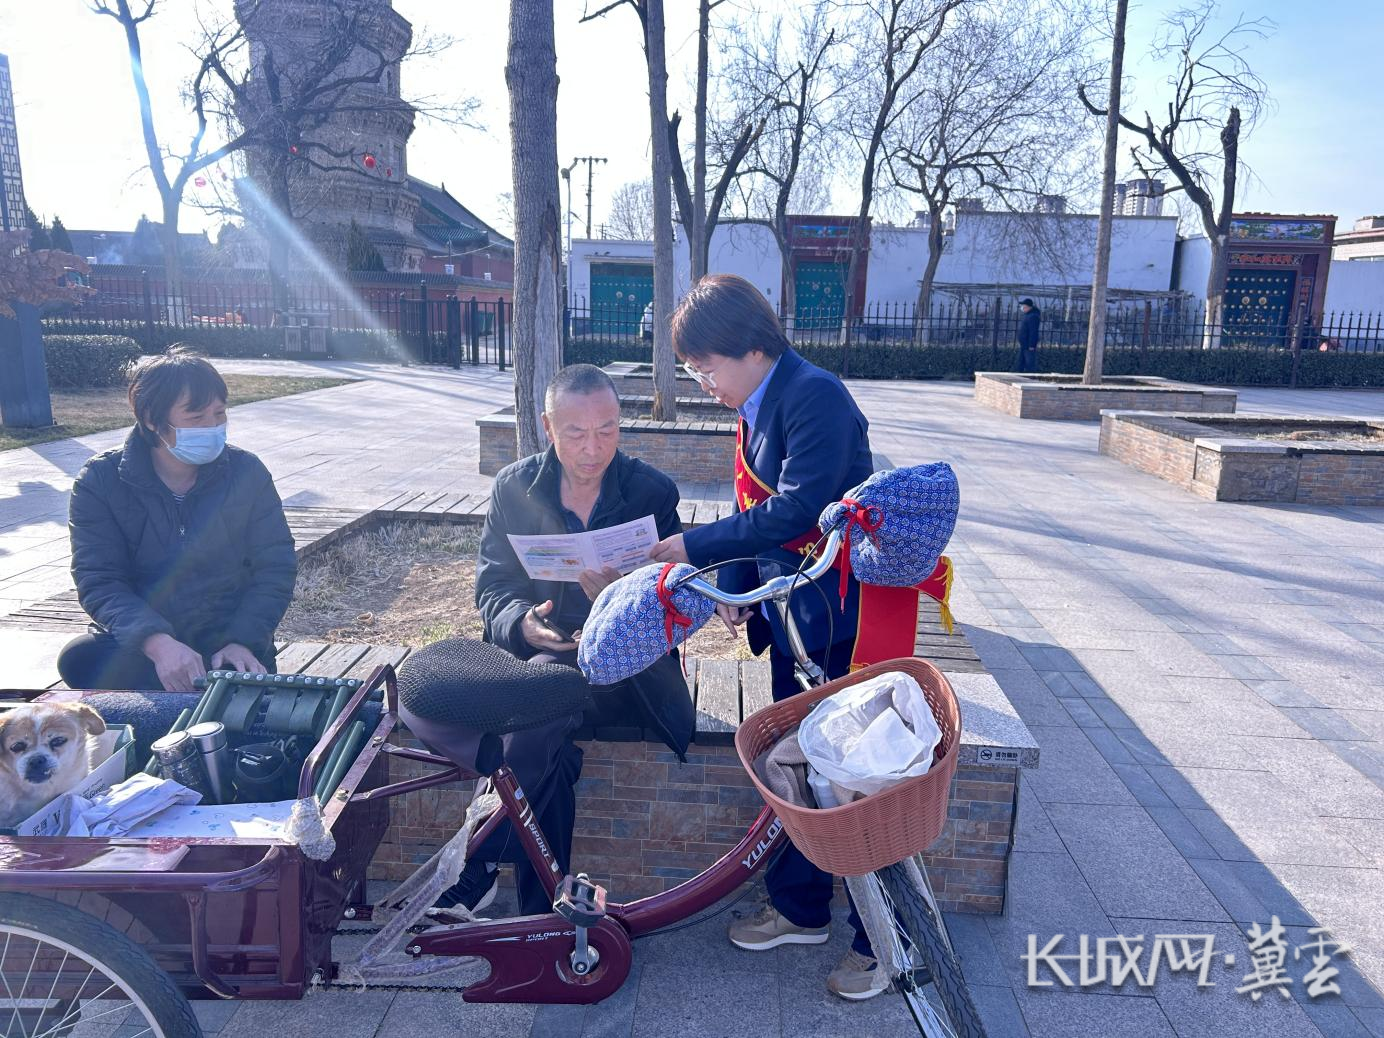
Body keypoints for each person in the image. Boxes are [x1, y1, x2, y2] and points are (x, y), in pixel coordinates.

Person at [647, 274, 884, 1001]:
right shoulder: (757, 401)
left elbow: (798, 509)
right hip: (792, 613)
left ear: (751, 347)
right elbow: (758, 503)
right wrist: (737, 581)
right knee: (797, 768)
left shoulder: (814, 396)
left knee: (853, 777)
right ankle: (801, 909)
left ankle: (884, 941)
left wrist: (697, 547)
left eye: (706, 366)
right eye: (694, 370)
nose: (703, 382)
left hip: (839, 623)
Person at [431, 363, 692, 917]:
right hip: (542, 656)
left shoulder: (651, 491)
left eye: (607, 430)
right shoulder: (514, 488)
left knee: (540, 702)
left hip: (625, 672)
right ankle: (546, 910)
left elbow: (677, 599)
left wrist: (622, 599)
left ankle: (480, 863)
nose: (593, 449)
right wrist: (522, 623)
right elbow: (494, 587)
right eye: (576, 433)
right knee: (549, 739)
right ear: (548, 427)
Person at [58, 348, 296, 693]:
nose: (212, 427)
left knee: (236, 681)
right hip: (148, 645)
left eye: (219, 414)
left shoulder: (247, 472)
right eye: (196, 417)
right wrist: (157, 643)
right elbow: (99, 579)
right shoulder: (100, 481)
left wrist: (242, 640)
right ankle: (195, 688)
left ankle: (213, 685)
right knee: (78, 659)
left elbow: (276, 567)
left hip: (225, 642)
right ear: (151, 420)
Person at [1015, 297, 1041, 372]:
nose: (1022, 308)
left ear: (1028, 307)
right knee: (1020, 363)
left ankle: (1030, 376)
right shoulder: (1027, 315)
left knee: (1030, 364)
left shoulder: (1033, 316)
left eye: (1024, 306)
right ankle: (1020, 375)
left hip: (1028, 345)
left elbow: (1033, 332)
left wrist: (1032, 345)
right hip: (1024, 344)